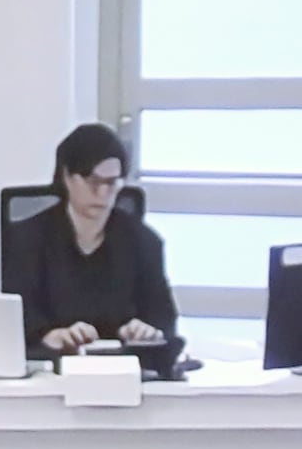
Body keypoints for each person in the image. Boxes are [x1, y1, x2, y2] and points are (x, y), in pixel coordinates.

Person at [10, 123, 177, 360]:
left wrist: (147, 332)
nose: (102, 194)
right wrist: (49, 337)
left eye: (111, 183)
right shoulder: (27, 239)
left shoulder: (144, 242)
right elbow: (16, 319)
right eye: (92, 181)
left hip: (123, 373)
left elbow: (164, 319)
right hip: (53, 372)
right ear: (67, 176)